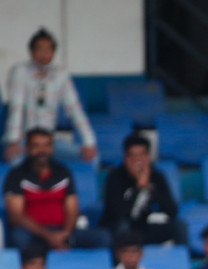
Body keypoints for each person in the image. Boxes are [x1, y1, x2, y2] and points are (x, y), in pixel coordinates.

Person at [3, 127, 105, 250]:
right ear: (27, 149)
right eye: (37, 146)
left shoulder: (63, 172)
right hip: (34, 233)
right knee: (19, 236)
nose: (42, 150)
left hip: (62, 230)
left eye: (47, 145)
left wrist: (65, 234)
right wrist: (49, 236)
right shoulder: (16, 174)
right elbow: (16, 216)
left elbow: (72, 209)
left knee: (101, 237)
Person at [3, 28, 95, 164]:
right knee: (15, 160)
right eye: (40, 49)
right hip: (23, 140)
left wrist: (89, 142)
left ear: (53, 52)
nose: (44, 53)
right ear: (32, 52)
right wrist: (13, 141)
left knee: (92, 159)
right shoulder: (20, 71)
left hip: (49, 141)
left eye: (49, 49)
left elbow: (75, 109)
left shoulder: (61, 74)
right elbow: (16, 108)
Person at [101, 134, 183, 246]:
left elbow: (171, 210)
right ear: (125, 158)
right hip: (121, 227)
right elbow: (117, 214)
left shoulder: (157, 177)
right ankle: (122, 262)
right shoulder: (115, 177)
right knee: (122, 227)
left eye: (141, 155)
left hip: (146, 226)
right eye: (133, 156)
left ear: (148, 157)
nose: (137, 160)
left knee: (179, 227)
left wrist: (151, 190)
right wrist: (138, 189)